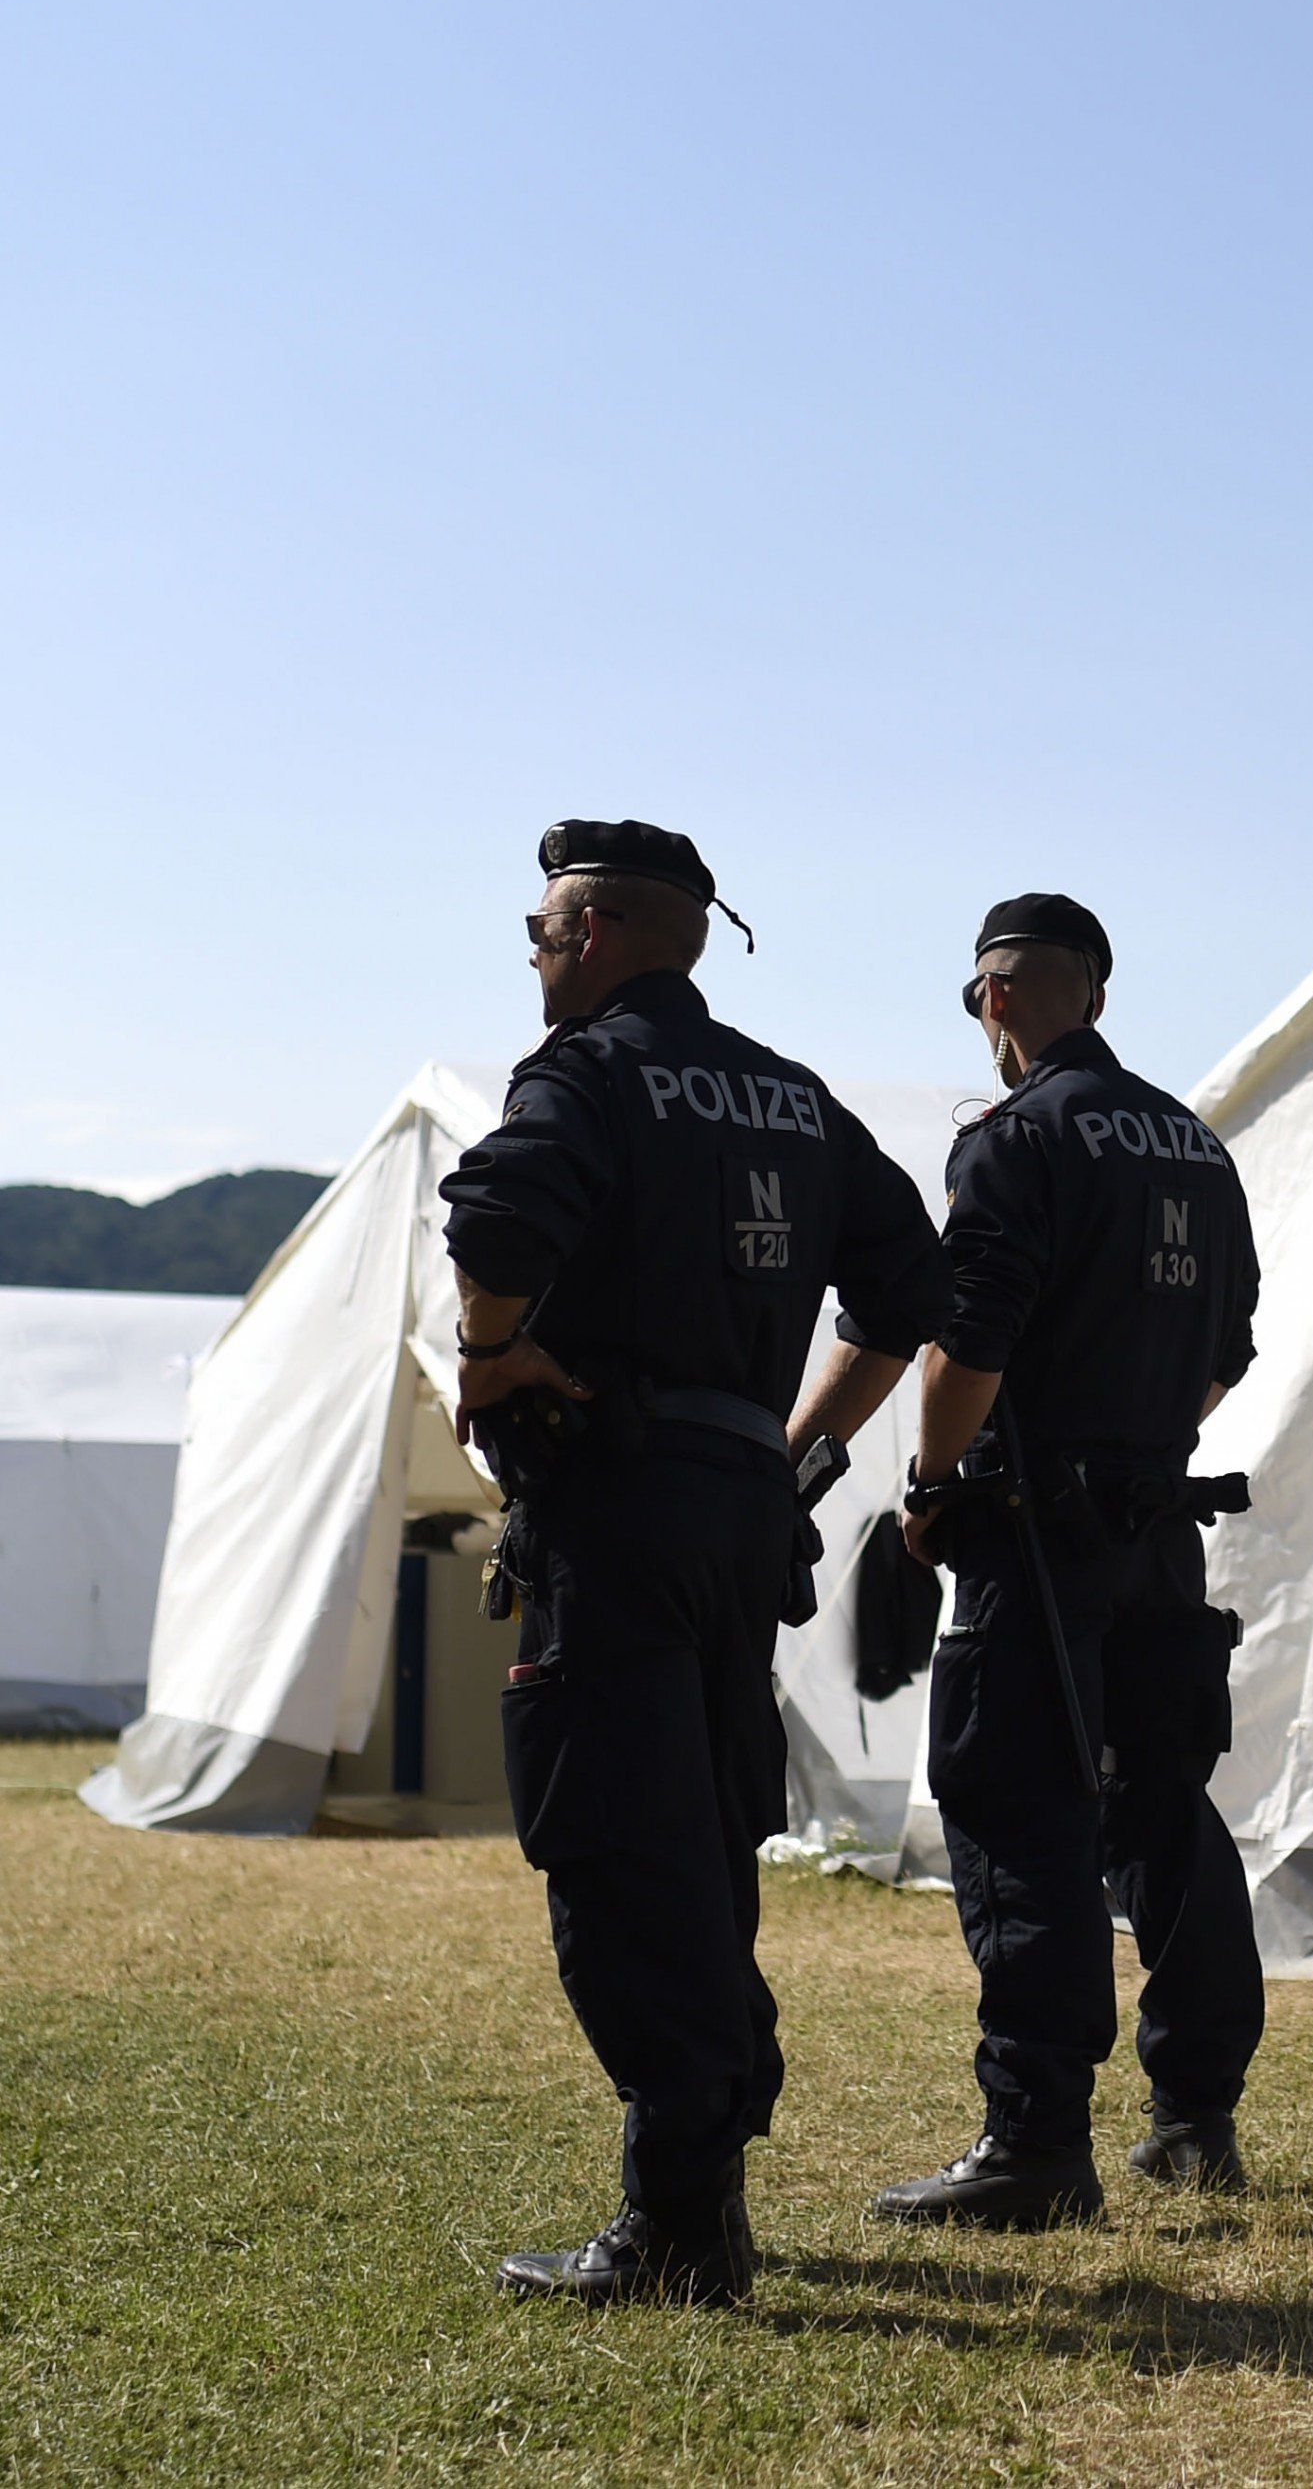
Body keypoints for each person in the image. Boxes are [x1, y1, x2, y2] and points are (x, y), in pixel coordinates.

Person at [443, 821, 948, 2306]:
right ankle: (702, 2191)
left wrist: (489, 1352)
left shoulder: (588, 1071)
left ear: (596, 933)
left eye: (542, 931)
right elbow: (913, 1286)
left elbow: (495, 1216)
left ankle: (675, 2227)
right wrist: (790, 1449)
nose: (534, 955)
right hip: (738, 1520)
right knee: (708, 1840)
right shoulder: (791, 1096)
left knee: (611, 1841)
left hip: (615, 1507)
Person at [872, 893, 1264, 2230]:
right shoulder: (1197, 1146)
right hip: (1159, 1533)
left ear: (993, 1000)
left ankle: (1035, 2143)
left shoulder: (1013, 1140)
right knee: (1165, 1806)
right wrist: (1140, 1445)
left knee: (1021, 1819)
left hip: (1033, 1540)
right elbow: (1228, 1351)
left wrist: (932, 1487)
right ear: (1092, 993)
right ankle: (1194, 2115)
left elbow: (963, 1341)